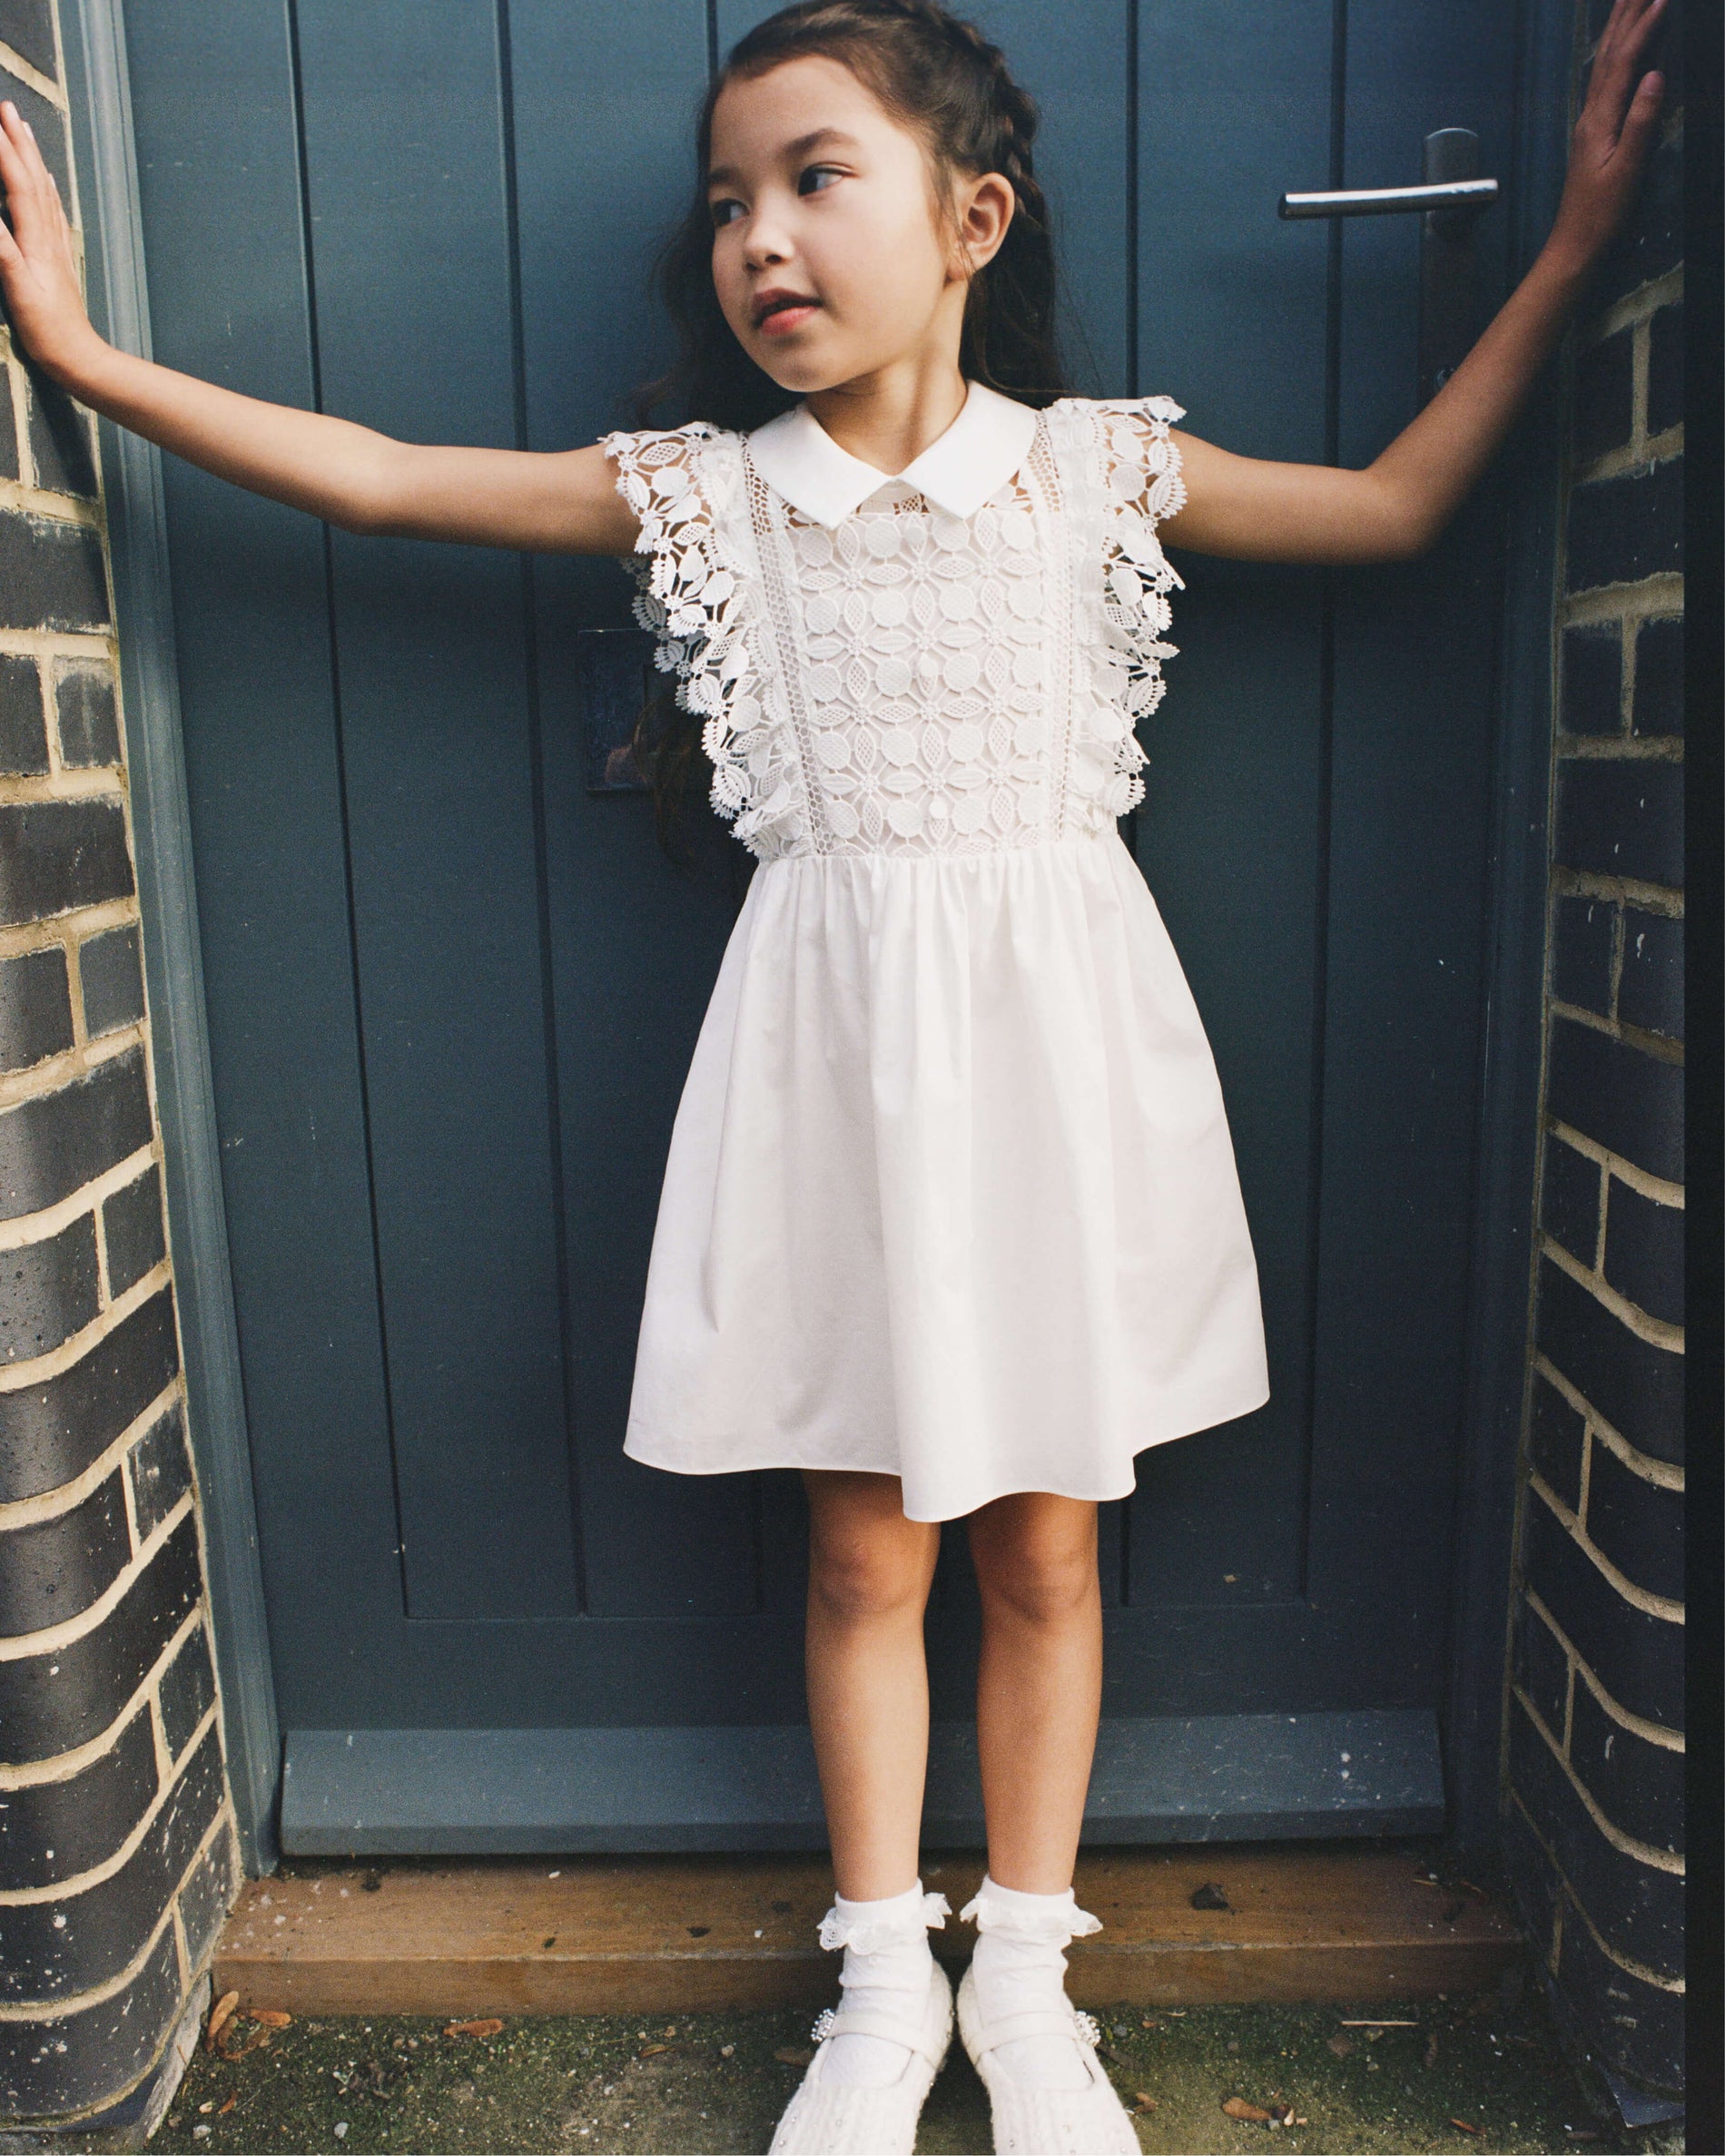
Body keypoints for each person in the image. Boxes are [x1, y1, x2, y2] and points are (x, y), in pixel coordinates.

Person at [0, 0, 1666, 2146]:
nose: (757, 239)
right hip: (831, 1087)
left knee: (1050, 1548)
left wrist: (1571, 241)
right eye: (724, 203)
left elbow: (1395, 503)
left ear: (969, 218)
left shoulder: (1092, 475)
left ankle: (1031, 1978)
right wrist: (85, 354)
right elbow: (395, 483)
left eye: (812, 179)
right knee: (868, 1553)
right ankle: (880, 1975)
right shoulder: (707, 502)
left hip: (1058, 1082)